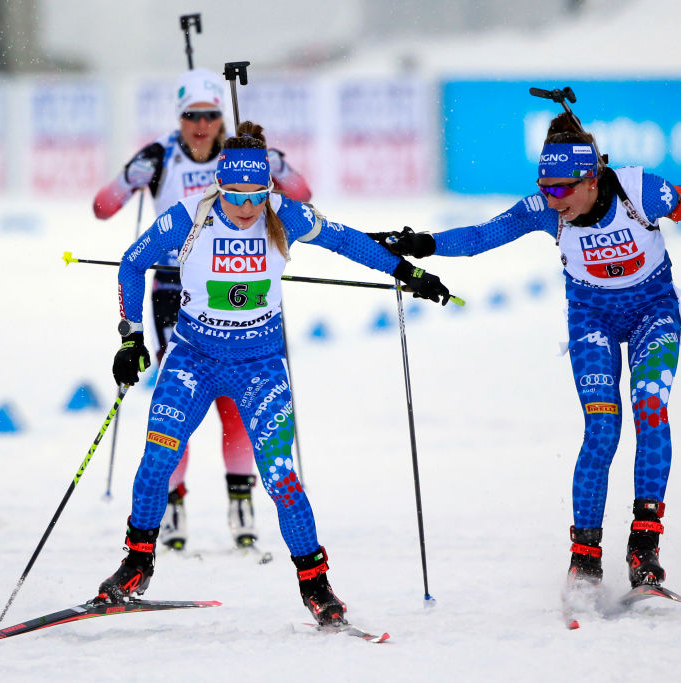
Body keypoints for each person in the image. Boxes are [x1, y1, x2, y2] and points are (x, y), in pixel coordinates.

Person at [96, 122, 453, 624]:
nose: (246, 208)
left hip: (260, 366)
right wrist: (131, 336)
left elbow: (347, 241)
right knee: (157, 457)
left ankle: (317, 586)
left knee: (282, 477)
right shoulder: (188, 219)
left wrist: (406, 272)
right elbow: (131, 265)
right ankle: (136, 565)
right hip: (192, 358)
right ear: (219, 185)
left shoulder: (284, 215)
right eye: (236, 195)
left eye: (257, 194)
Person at [373, 111, 681, 592]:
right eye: (545, 187)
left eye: (563, 189)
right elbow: (480, 237)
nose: (553, 199)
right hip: (592, 319)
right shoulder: (546, 209)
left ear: (592, 180)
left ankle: (644, 550)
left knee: (651, 409)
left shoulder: (641, 191)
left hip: (653, 312)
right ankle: (585, 560)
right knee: (603, 427)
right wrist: (422, 243)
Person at [93, 68, 315, 552]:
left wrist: (275, 166)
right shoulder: (158, 155)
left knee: (237, 401)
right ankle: (171, 504)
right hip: (173, 288)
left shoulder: (245, 161)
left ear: (221, 117)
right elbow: (102, 207)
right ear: (179, 118)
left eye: (211, 115)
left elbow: (302, 197)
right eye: (191, 115)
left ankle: (241, 499)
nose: (201, 125)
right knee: (178, 402)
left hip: (239, 282)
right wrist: (127, 180)